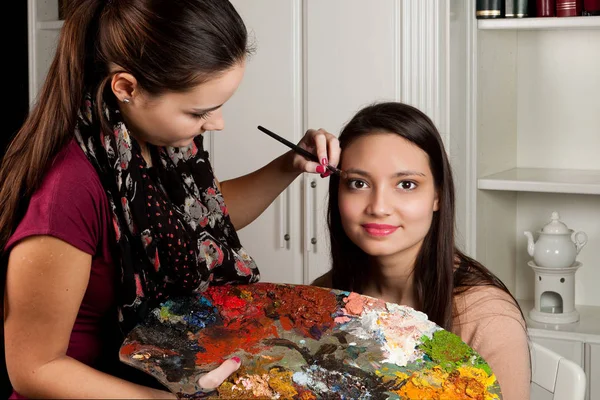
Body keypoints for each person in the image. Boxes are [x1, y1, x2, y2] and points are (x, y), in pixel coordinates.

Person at [0, 0, 340, 398]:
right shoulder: (67, 191)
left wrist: (289, 164)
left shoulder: (152, 141)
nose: (216, 124)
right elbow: (34, 368)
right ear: (126, 88)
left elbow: (202, 219)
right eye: (199, 112)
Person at [313, 102, 530, 400]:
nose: (378, 207)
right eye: (358, 183)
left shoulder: (488, 320)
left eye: (406, 184)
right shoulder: (324, 296)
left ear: (437, 196)